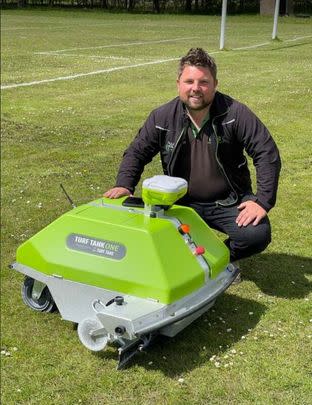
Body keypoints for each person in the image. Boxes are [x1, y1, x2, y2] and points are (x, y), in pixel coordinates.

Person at [104, 47, 281, 269]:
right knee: (143, 236)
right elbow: (137, 152)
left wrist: (262, 202)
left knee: (256, 235)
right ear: (178, 83)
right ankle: (188, 260)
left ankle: (219, 262)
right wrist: (124, 184)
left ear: (215, 84)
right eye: (189, 81)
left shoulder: (236, 114)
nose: (196, 89)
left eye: (203, 82)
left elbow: (267, 153)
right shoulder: (162, 116)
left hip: (229, 202)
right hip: (180, 202)